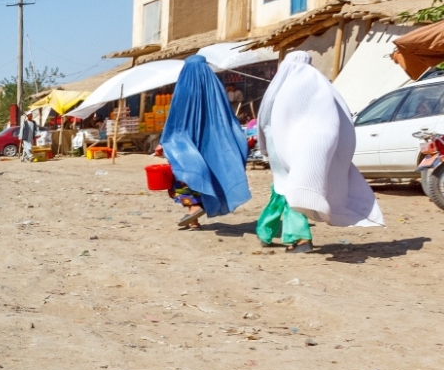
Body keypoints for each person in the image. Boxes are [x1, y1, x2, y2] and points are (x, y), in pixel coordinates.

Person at [256, 51, 383, 252]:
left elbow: (264, 119)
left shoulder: (278, 89)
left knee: (289, 190)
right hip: (304, 151)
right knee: (285, 191)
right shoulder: (320, 87)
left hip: (280, 150)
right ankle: (266, 231)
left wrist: (263, 147)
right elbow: (338, 118)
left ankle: (299, 238)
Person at [157, 55, 252, 229]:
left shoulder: (184, 88)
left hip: (185, 141)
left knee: (183, 173)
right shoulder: (215, 87)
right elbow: (227, 117)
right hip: (212, 142)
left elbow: (175, 120)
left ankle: (193, 209)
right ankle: (194, 216)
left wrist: (164, 141)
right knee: (209, 171)